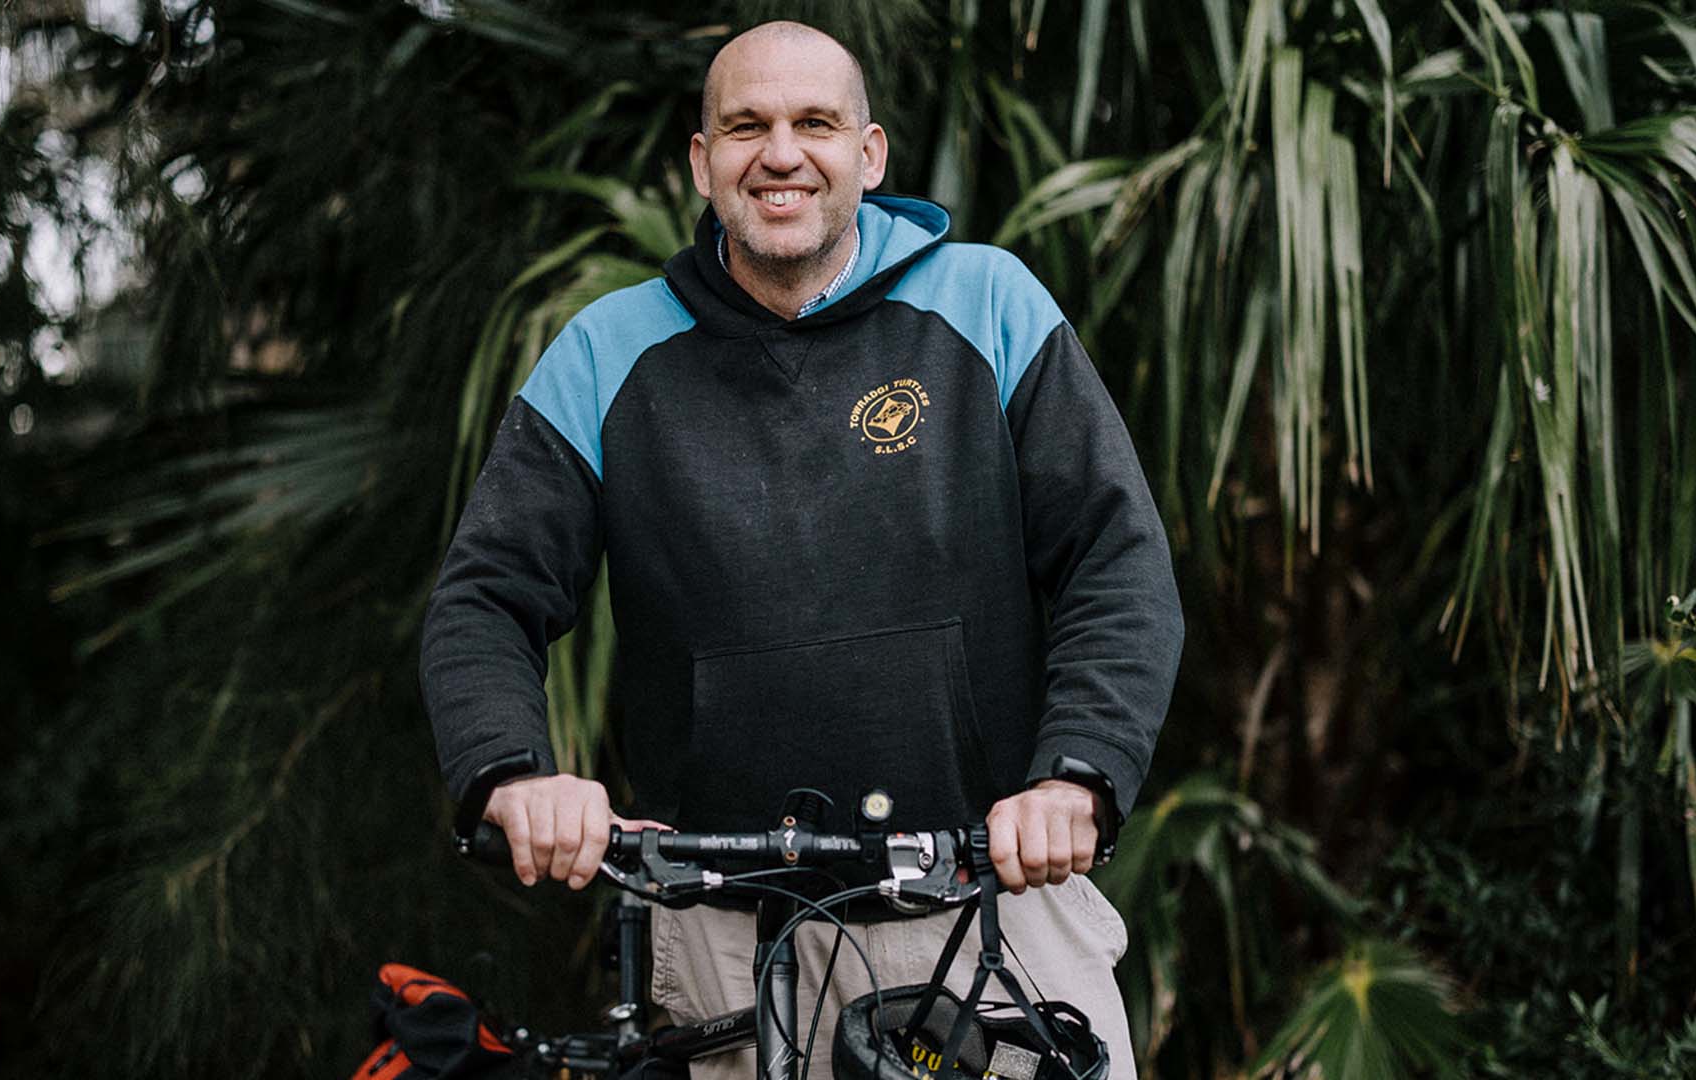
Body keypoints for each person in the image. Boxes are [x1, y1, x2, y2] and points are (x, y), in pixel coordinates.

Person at [421, 20, 1182, 1080]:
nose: (781, 153)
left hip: (989, 905)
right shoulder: (606, 351)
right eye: (746, 126)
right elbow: (485, 598)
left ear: (868, 155)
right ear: (703, 161)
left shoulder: (989, 303)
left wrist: (1077, 780)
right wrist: (514, 776)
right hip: (724, 937)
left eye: (814, 122)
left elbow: (1117, 559)